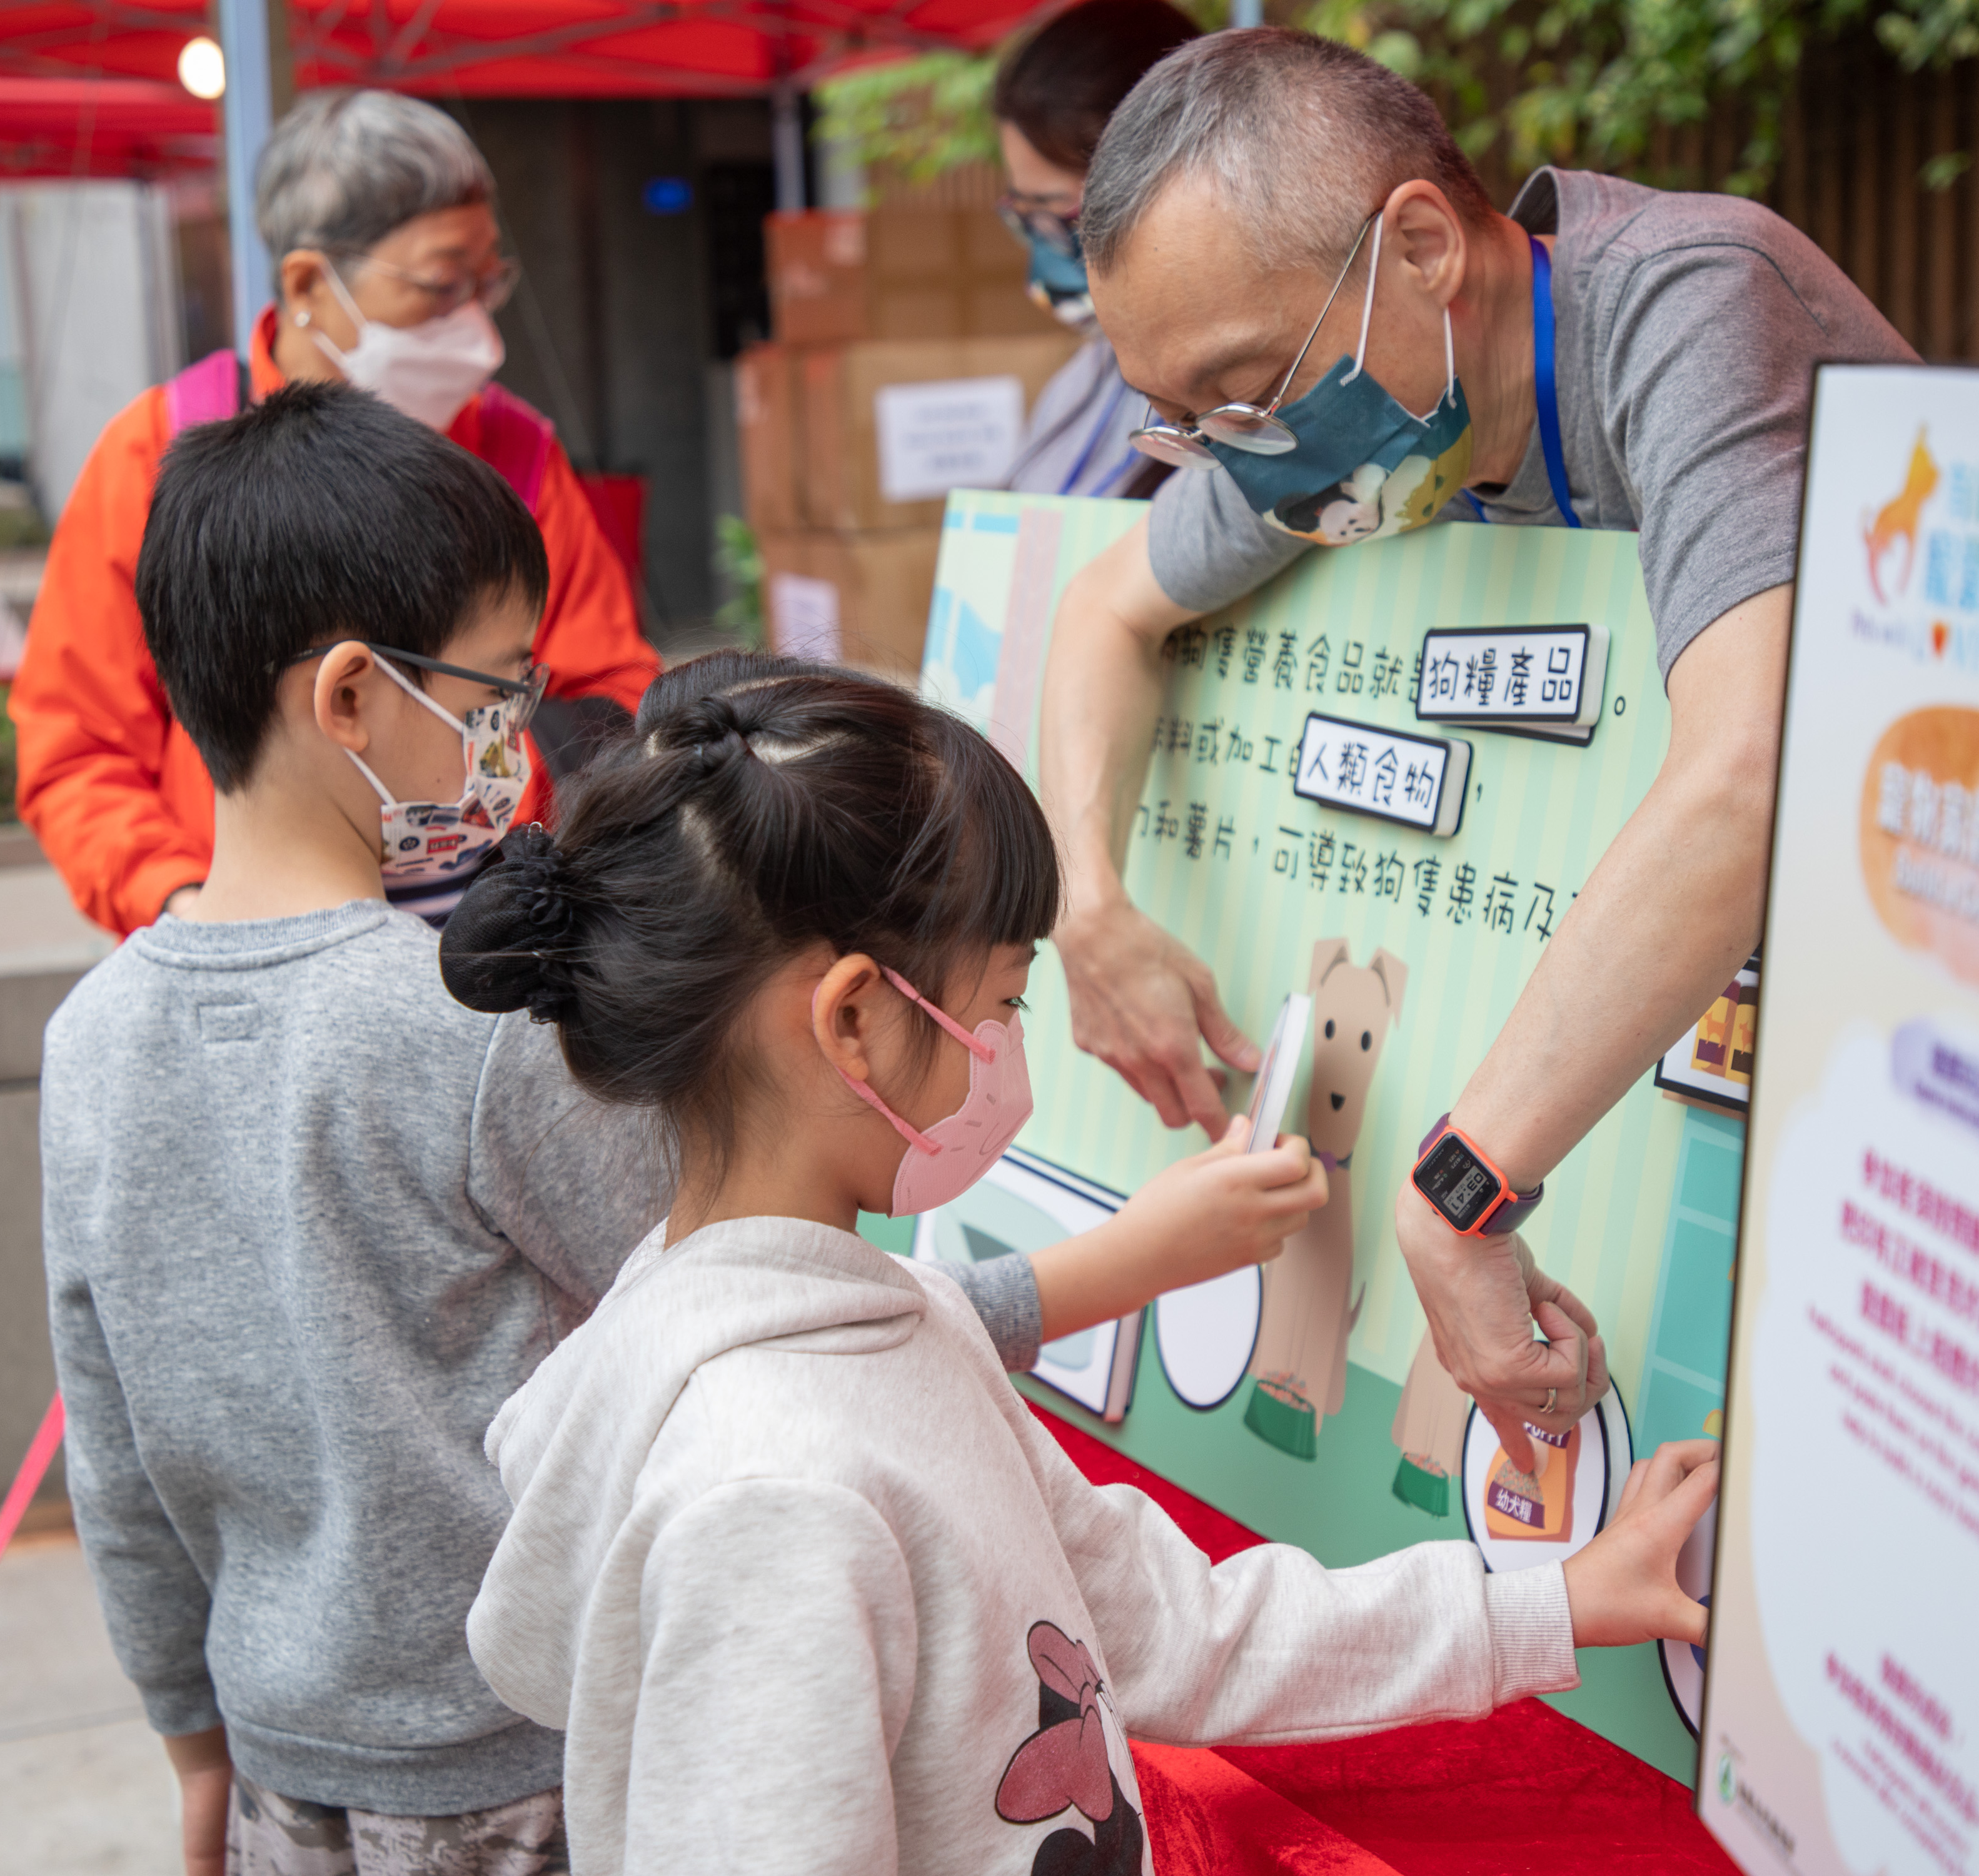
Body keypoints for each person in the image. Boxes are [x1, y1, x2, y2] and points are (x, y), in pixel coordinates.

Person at [44, 383, 1331, 1876]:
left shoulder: (91, 1037)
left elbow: (112, 1452)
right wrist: (1114, 1265)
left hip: (279, 1765)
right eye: (487, 697)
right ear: (346, 699)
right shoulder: (456, 1039)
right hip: (529, 1764)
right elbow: (756, 1305)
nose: (512, 736)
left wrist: (189, 1735)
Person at [443, 654, 1720, 1875]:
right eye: (999, 1006)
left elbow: (1178, 1632)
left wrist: (1553, 1603)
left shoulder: (896, 1326)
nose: (1011, 1054)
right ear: (851, 1022)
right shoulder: (773, 1498)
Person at [1034, 29, 1917, 1469]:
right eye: (1195, 428)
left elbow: (1756, 771)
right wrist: (1088, 902)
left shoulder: (1691, 309)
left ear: (1425, 245)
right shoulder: (1345, 438)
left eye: (1245, 396)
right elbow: (1100, 610)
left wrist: (1457, 1188)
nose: (1240, 458)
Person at [12, 87, 658, 936]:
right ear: (310, 282)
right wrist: (184, 907)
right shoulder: (156, 458)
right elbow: (77, 750)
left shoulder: (516, 452)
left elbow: (609, 696)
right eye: (439, 286)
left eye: (487, 280)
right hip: (244, 947)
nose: (474, 324)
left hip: (495, 955)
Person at [992, 0, 1199, 500]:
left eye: (1056, 211)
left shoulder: (1263, 398)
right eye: (1025, 215)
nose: (1044, 243)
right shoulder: (1086, 376)